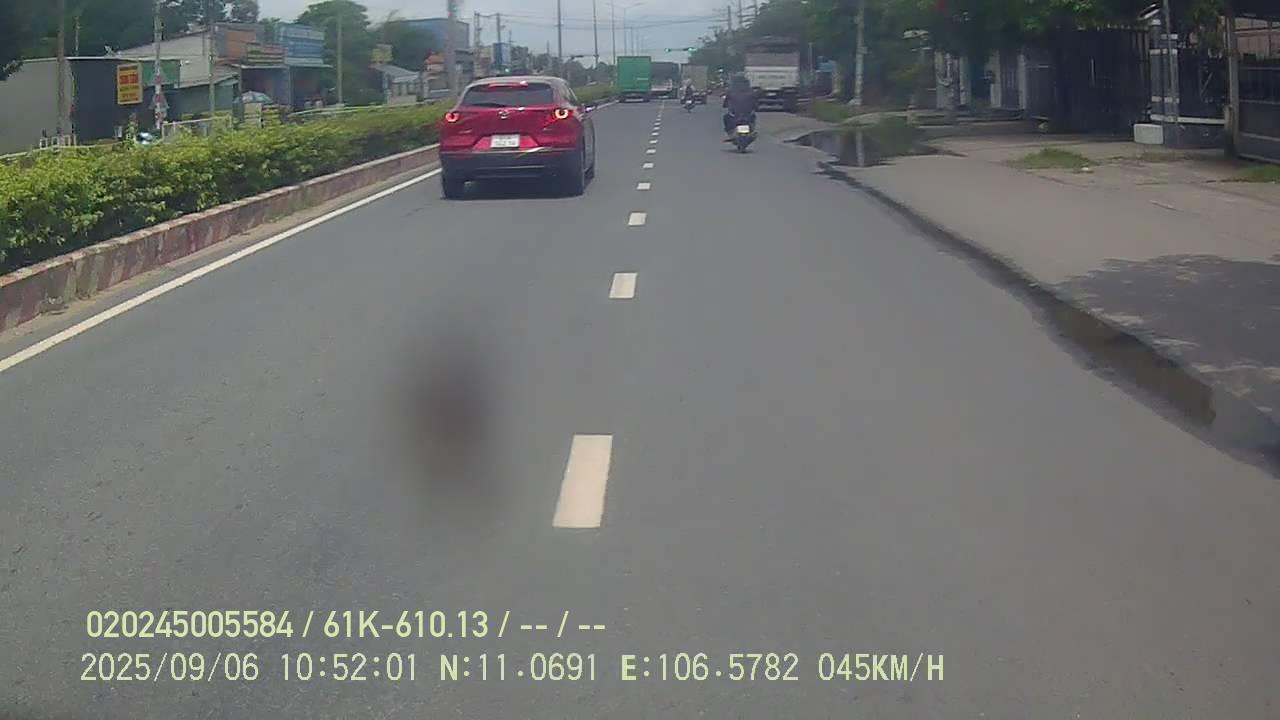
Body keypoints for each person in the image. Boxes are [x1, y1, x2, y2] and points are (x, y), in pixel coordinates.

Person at [722, 73, 756, 139]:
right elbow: (754, 101)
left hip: (736, 114)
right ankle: (751, 131)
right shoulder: (750, 91)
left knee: (726, 117)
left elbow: (726, 101)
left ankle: (730, 133)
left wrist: (725, 105)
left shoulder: (731, 91)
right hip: (746, 114)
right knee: (753, 117)